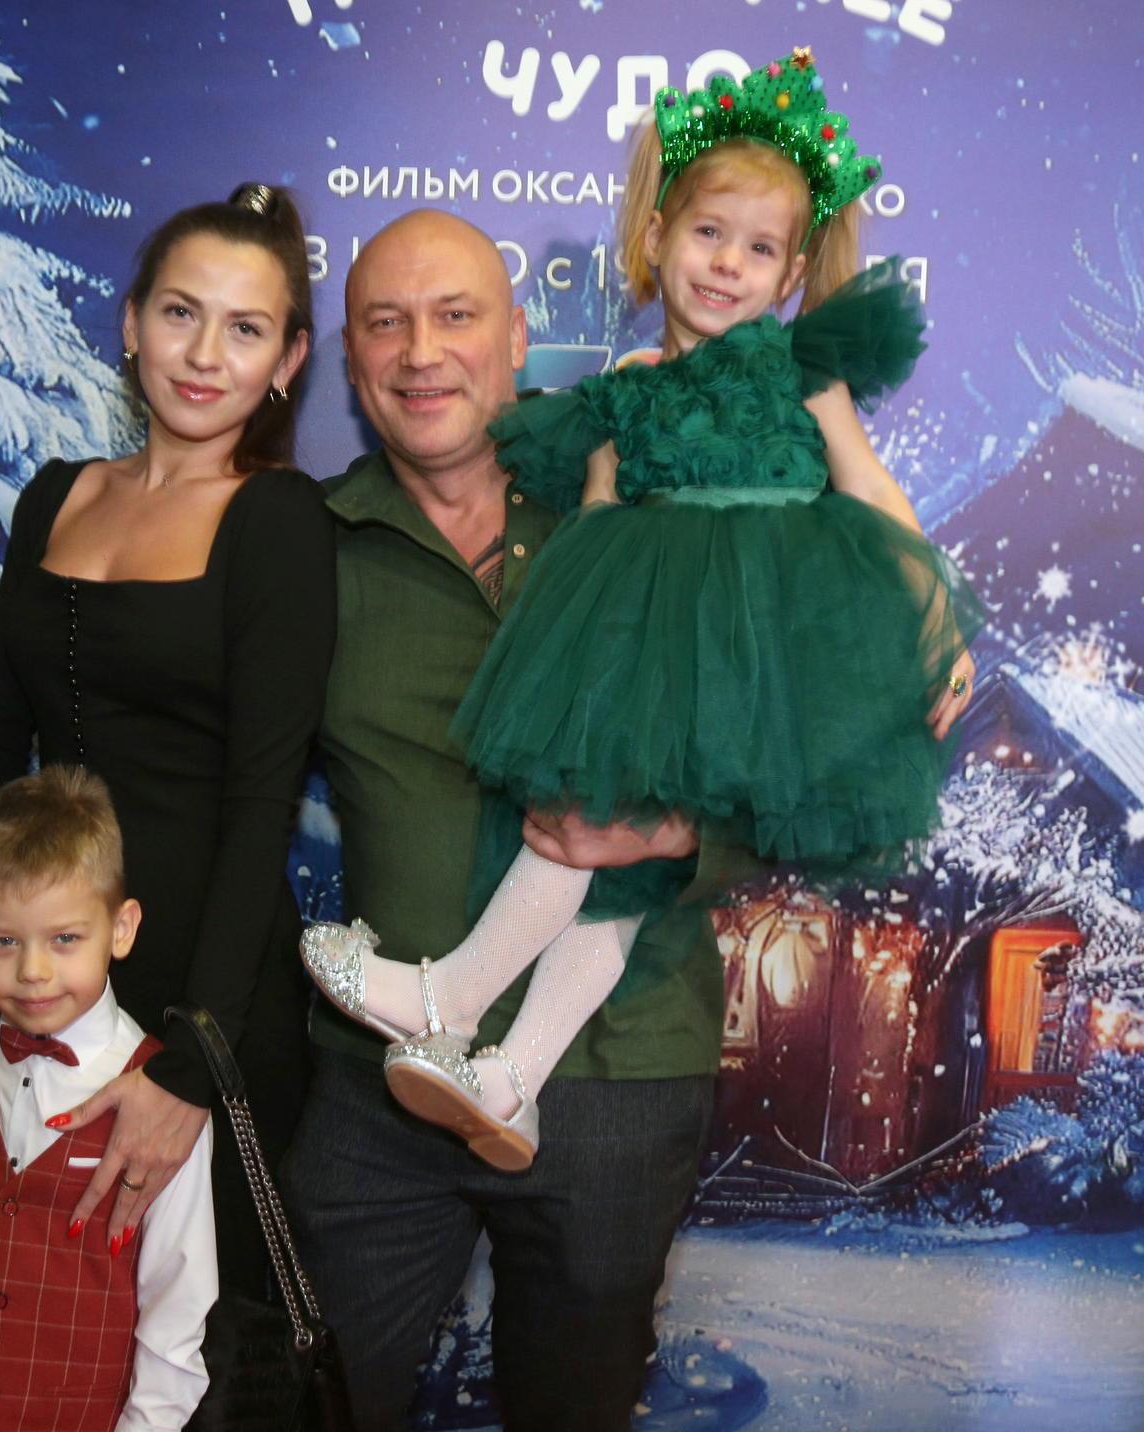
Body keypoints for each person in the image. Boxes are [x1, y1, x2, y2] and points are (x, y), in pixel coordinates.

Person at [302, 50, 984, 1171]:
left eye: (758, 249)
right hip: (648, 645)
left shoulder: (801, 376)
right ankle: (508, 1077)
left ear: (793, 271)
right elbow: (597, 518)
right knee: (606, 858)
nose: (726, 265)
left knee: (606, 837)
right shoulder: (624, 384)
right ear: (656, 235)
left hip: (747, 651)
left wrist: (934, 619)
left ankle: (447, 996)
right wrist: (576, 660)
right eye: (708, 233)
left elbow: (870, 491)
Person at [277, 207, 717, 1428]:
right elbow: (212, 776)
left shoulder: (638, 502)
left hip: (617, 1070)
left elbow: (781, 740)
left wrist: (681, 834)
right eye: (386, 323)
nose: (422, 352)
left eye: (455, 315)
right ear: (351, 361)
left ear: (518, 337)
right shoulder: (307, 545)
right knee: (306, 1401)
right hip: (380, 1080)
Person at [0, 185, 335, 1338]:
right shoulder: (55, 495)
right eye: (181, 313)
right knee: (24, 1330)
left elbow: (262, 801)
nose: (203, 354)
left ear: (287, 360)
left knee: (182, 1354)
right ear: (132, 321)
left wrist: (193, 1062)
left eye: (245, 328)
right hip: (41, 977)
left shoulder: (278, 520)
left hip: (204, 995)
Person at [0, 766, 216, 1430]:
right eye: (5, 941)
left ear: (121, 929)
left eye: (64, 939)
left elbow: (177, 1309)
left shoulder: (162, 1100)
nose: (32, 971)